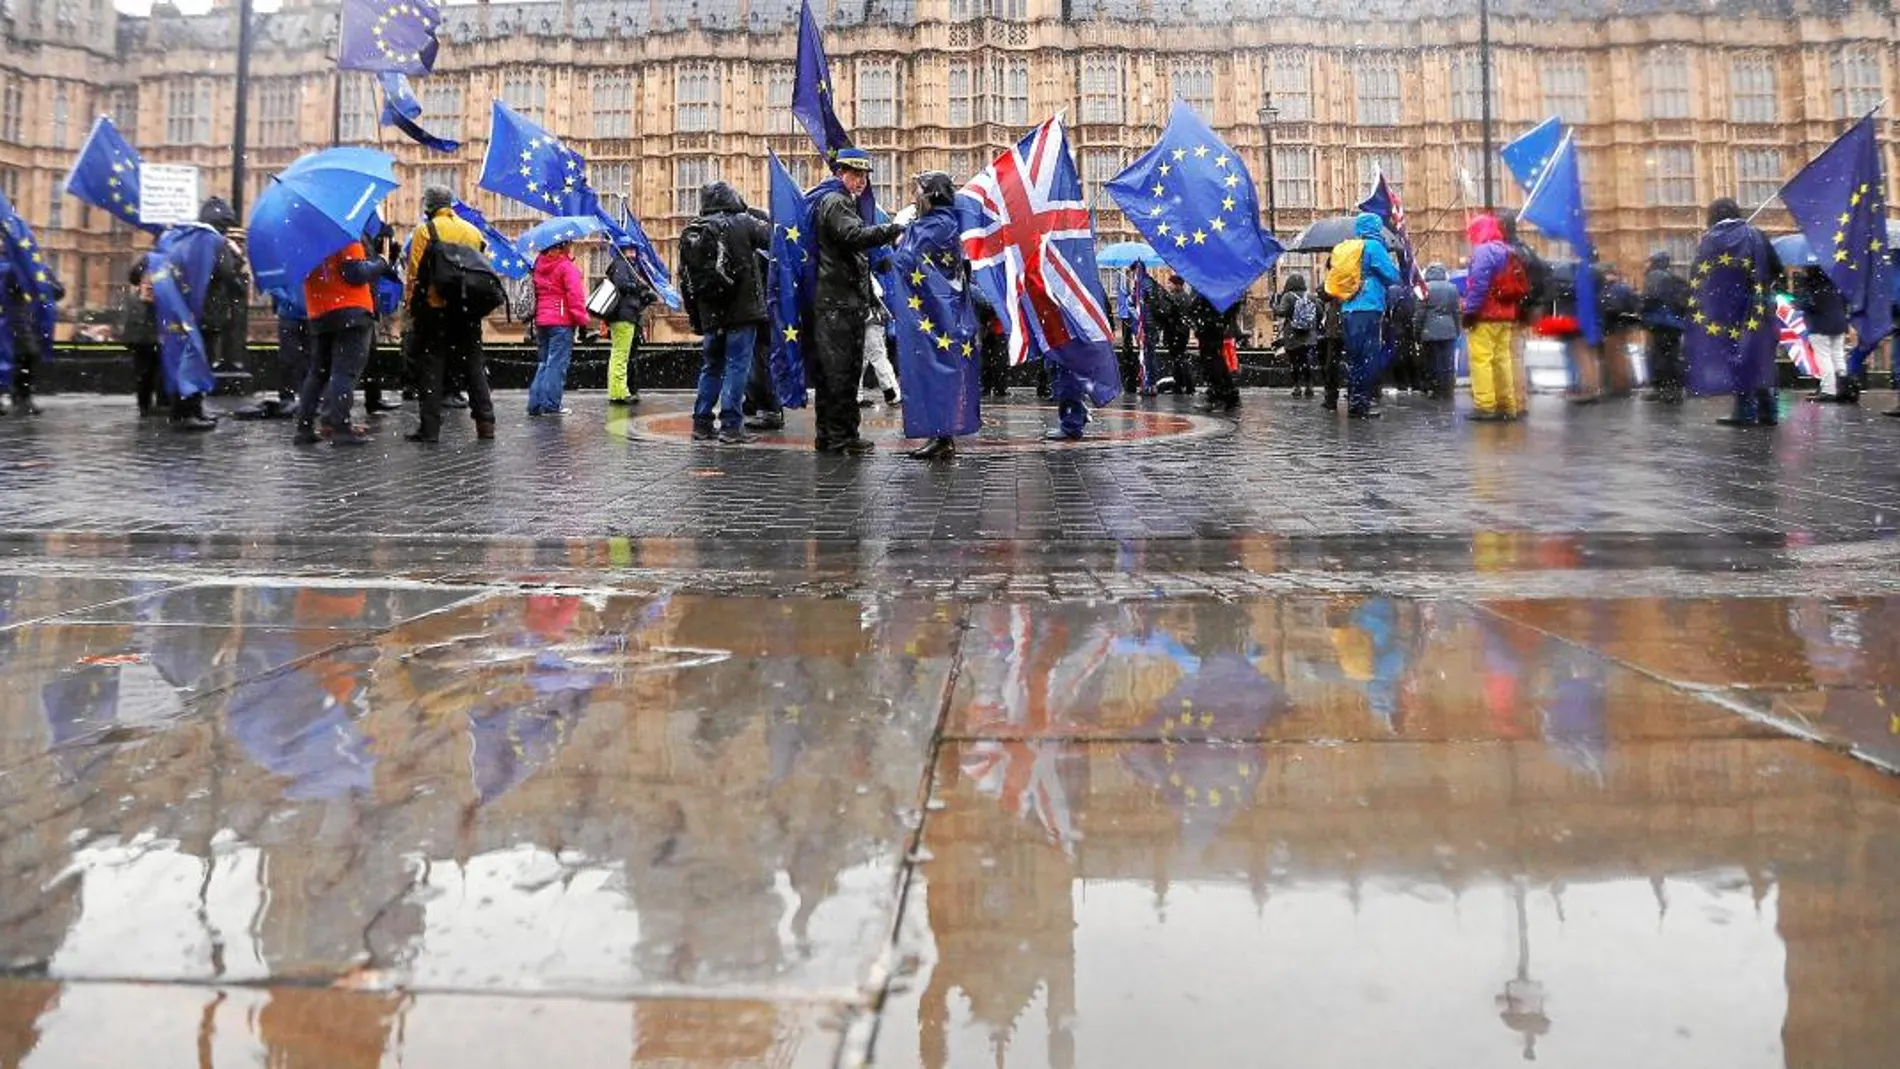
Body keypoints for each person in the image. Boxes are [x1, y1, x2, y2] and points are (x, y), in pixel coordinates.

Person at [810, 148, 906, 455]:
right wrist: (890, 230)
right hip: (839, 303)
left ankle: (829, 435)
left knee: (835, 373)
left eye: (864, 175)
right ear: (841, 173)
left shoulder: (837, 201)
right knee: (842, 372)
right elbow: (853, 236)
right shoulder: (837, 202)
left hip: (838, 301)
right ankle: (841, 437)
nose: (861, 181)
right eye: (856, 174)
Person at [886, 170, 971, 460]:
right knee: (931, 369)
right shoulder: (936, 223)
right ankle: (940, 435)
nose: (914, 198)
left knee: (937, 370)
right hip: (932, 311)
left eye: (918, 192)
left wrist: (898, 234)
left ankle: (942, 436)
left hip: (937, 314)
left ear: (932, 195)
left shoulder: (938, 225)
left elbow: (906, 258)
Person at [679, 180, 772, 444]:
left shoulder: (692, 230)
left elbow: (685, 281)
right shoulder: (742, 222)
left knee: (711, 367)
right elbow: (775, 237)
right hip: (741, 312)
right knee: (736, 367)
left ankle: (702, 423)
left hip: (710, 314)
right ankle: (731, 426)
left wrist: (696, 318)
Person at [404, 187, 497, 443]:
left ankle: (430, 429)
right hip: (468, 310)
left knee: (432, 368)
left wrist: (412, 309)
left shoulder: (426, 231)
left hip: (436, 310)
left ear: (430, 206)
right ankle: (485, 423)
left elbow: (414, 273)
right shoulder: (473, 231)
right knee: (474, 366)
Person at [1691, 197, 1784, 428]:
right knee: (1761, 356)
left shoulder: (1709, 241)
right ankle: (1769, 410)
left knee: (1738, 357)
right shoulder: (1756, 235)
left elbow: (1699, 277)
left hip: (1727, 311)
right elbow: (1777, 268)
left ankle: (1745, 411)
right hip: (1759, 307)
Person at [291, 236, 392, 447]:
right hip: (350, 310)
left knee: (318, 372)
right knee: (343, 372)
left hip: (319, 311)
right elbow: (354, 273)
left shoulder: (304, 241)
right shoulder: (343, 235)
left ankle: (304, 427)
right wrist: (381, 262)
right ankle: (340, 428)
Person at [173, 197, 248, 432]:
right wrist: (240, 265)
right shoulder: (213, 241)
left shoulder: (188, 238)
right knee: (199, 363)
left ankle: (187, 410)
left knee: (188, 363)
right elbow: (227, 274)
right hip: (207, 314)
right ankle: (189, 413)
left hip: (186, 312)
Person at [1328, 211, 1400, 418]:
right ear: (1375, 228)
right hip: (1369, 307)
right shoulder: (1374, 247)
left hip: (1349, 307)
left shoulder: (1351, 248)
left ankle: (1354, 399)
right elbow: (1391, 275)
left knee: (1354, 357)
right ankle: (1361, 404)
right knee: (1368, 357)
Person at [1461, 213, 1526, 422]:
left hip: (1486, 314)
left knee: (1481, 360)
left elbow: (1478, 285)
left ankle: (1485, 406)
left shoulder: (1483, 252)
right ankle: (1507, 404)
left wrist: (1470, 311)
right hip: (1507, 314)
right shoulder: (1508, 250)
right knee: (1502, 360)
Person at [527, 239, 589, 417]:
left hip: (542, 321)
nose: (571, 247)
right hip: (561, 322)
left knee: (544, 363)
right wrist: (582, 320)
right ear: (562, 247)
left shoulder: (539, 264)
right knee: (557, 365)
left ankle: (535, 404)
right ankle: (552, 405)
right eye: (569, 244)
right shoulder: (566, 266)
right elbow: (575, 297)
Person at [1498, 210, 1548, 415]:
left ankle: (1515, 401)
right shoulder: (1524, 248)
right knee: (1515, 353)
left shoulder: (1508, 251)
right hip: (1524, 307)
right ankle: (1518, 399)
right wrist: (1535, 301)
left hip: (1513, 308)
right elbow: (1544, 273)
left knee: (1510, 355)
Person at [602, 238, 657, 407]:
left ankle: (620, 390)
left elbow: (628, 293)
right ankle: (618, 393)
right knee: (620, 355)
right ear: (621, 250)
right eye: (629, 250)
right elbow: (622, 285)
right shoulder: (621, 264)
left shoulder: (626, 265)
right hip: (622, 316)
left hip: (626, 315)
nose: (632, 253)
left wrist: (644, 298)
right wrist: (640, 287)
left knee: (622, 355)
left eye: (634, 250)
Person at [1792, 265, 1850, 403]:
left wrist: (1795, 302)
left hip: (1820, 325)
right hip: (1839, 323)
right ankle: (1843, 387)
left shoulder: (1812, 286)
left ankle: (1828, 390)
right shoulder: (1835, 283)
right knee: (1837, 355)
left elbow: (1808, 304)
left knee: (1823, 357)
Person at [1640, 250, 1691, 404]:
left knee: (1660, 356)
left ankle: (1663, 390)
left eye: (1649, 261)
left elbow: (1651, 298)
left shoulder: (1655, 275)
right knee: (1672, 356)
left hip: (1661, 321)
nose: (1646, 264)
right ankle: (1674, 390)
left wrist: (1640, 308)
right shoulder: (1672, 277)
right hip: (1674, 322)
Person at [1415, 263, 1462, 400]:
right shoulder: (1452, 287)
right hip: (1449, 330)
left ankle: (1436, 389)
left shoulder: (1424, 289)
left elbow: (1420, 314)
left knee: (1433, 361)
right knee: (1448, 361)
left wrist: (1417, 332)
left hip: (1429, 330)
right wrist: (1457, 329)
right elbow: (1456, 311)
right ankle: (1448, 388)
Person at [1189, 291, 1240, 414]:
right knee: (1216, 360)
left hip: (1210, 330)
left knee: (1212, 362)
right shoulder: (1224, 290)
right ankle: (1228, 394)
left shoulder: (1211, 291)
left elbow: (1194, 309)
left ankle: (1219, 395)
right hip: (1213, 329)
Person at [122, 259, 162, 417]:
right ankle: (145, 405)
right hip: (144, 333)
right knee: (144, 372)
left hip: (155, 328)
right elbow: (133, 276)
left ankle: (153, 404)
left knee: (155, 371)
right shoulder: (149, 260)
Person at [1274, 273, 1319, 398]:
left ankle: (1297, 387)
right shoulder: (1311, 296)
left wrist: (1274, 306)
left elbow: (1281, 312)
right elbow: (1319, 313)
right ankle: (1309, 386)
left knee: (1294, 362)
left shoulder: (1288, 296)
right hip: (1309, 335)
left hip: (1292, 335)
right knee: (1306, 361)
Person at [1158, 274, 1195, 394]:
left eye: (1170, 283)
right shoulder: (1184, 297)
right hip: (1181, 332)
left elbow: (1168, 313)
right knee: (1179, 359)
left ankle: (1184, 385)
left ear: (1177, 285)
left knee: (1179, 360)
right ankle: (1181, 385)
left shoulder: (1178, 298)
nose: (1168, 286)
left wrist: (1163, 301)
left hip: (1176, 332)